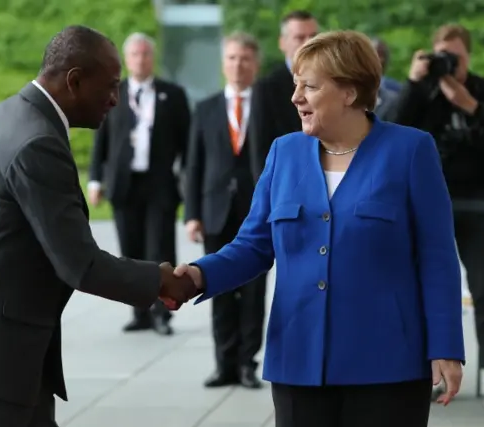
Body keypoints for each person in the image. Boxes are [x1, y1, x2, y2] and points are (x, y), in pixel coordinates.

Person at [0, 26, 197, 427]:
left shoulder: (12, 114)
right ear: (74, 81)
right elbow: (80, 264)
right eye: (110, 87)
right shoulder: (35, 141)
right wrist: (160, 280)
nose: (115, 100)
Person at [172, 30, 465, 427]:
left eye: (309, 86)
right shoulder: (284, 152)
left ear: (349, 92)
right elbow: (253, 246)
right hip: (298, 360)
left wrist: (445, 346)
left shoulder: (411, 151)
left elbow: (438, 258)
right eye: (296, 85)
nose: (295, 98)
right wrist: (197, 274)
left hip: (388, 364)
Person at [388, 23, 484, 407]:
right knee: (424, 290)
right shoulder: (425, 92)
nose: (449, 64)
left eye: (456, 57)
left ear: (468, 56)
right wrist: (415, 82)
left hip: (478, 205)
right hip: (431, 207)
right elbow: (391, 127)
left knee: (483, 291)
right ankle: (428, 373)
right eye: (442, 56)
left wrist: (472, 105)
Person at [88, 32, 191, 336]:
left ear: (152, 58)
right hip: (124, 183)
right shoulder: (113, 93)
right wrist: (96, 179)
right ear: (126, 59)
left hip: (159, 183)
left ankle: (163, 313)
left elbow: (188, 143)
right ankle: (140, 312)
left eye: (146, 54)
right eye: (135, 54)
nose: (141, 59)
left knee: (159, 248)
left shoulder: (172, 94)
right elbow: (101, 141)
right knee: (131, 251)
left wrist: (186, 177)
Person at [184, 31, 265, 389]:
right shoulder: (206, 108)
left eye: (245, 58)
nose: (238, 65)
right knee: (216, 287)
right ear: (223, 63)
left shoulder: (269, 106)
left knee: (253, 292)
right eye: (231, 58)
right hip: (215, 209)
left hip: (256, 211)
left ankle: (248, 362)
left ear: (255, 63)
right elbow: (193, 165)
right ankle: (224, 363)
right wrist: (192, 213)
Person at [249, 10, 318, 178]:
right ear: (282, 43)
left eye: (313, 37)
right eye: (300, 38)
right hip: (286, 182)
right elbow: (259, 149)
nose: (308, 43)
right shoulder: (266, 88)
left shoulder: (332, 82)